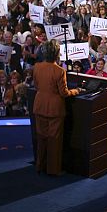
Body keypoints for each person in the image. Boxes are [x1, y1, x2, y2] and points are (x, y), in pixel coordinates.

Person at [31, 40, 80, 175]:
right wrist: (76, 91)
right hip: (54, 109)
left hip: (39, 106)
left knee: (41, 138)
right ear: (57, 53)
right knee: (54, 140)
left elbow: (36, 86)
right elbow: (64, 93)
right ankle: (53, 170)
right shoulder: (60, 71)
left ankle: (39, 165)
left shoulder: (36, 67)